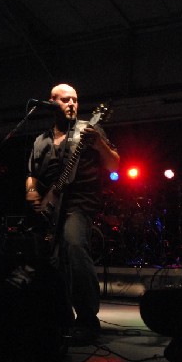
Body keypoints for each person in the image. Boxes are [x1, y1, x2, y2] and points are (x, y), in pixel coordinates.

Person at [25, 83, 120, 346]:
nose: (71, 104)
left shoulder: (89, 130)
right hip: (50, 206)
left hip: (80, 201)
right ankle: (60, 315)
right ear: (51, 102)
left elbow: (115, 164)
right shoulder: (41, 140)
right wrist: (31, 192)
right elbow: (31, 174)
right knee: (50, 261)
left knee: (75, 245)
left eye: (75, 100)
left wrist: (100, 144)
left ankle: (89, 318)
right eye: (65, 100)